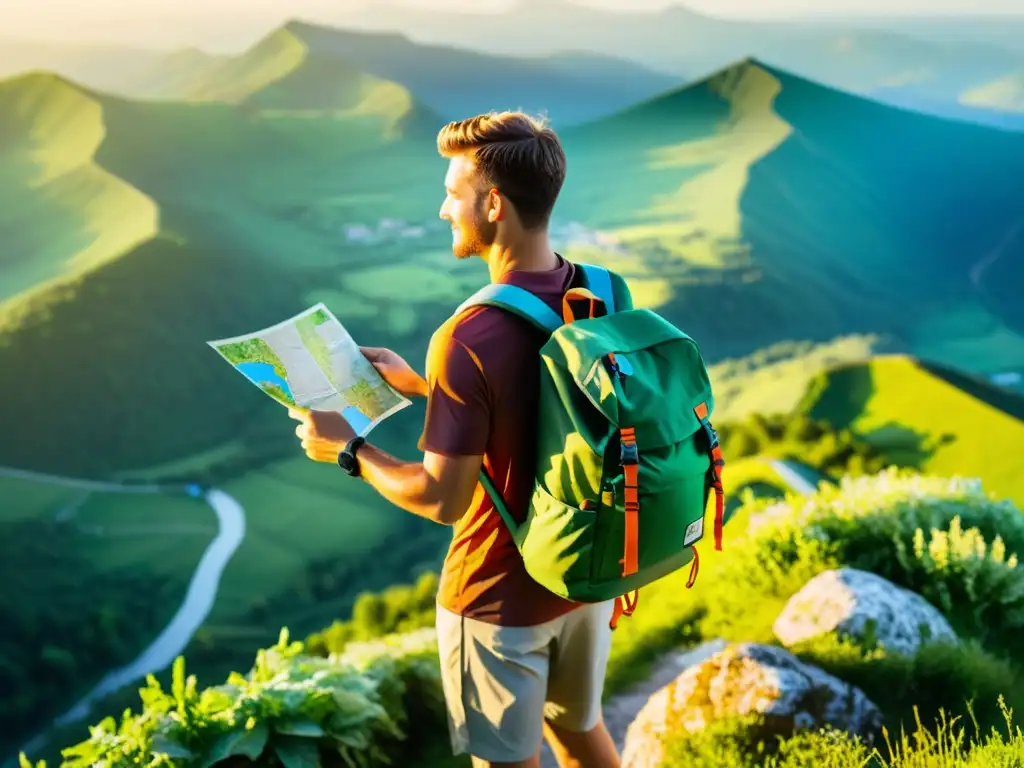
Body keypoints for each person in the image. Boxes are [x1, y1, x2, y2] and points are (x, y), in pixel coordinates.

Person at [289, 111, 626, 768]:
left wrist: (350, 452)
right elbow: (551, 406)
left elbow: (442, 498)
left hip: (498, 599)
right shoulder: (599, 292)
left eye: (453, 192)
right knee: (582, 734)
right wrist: (425, 388)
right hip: (587, 573)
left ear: (492, 203)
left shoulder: (468, 337)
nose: (444, 208)